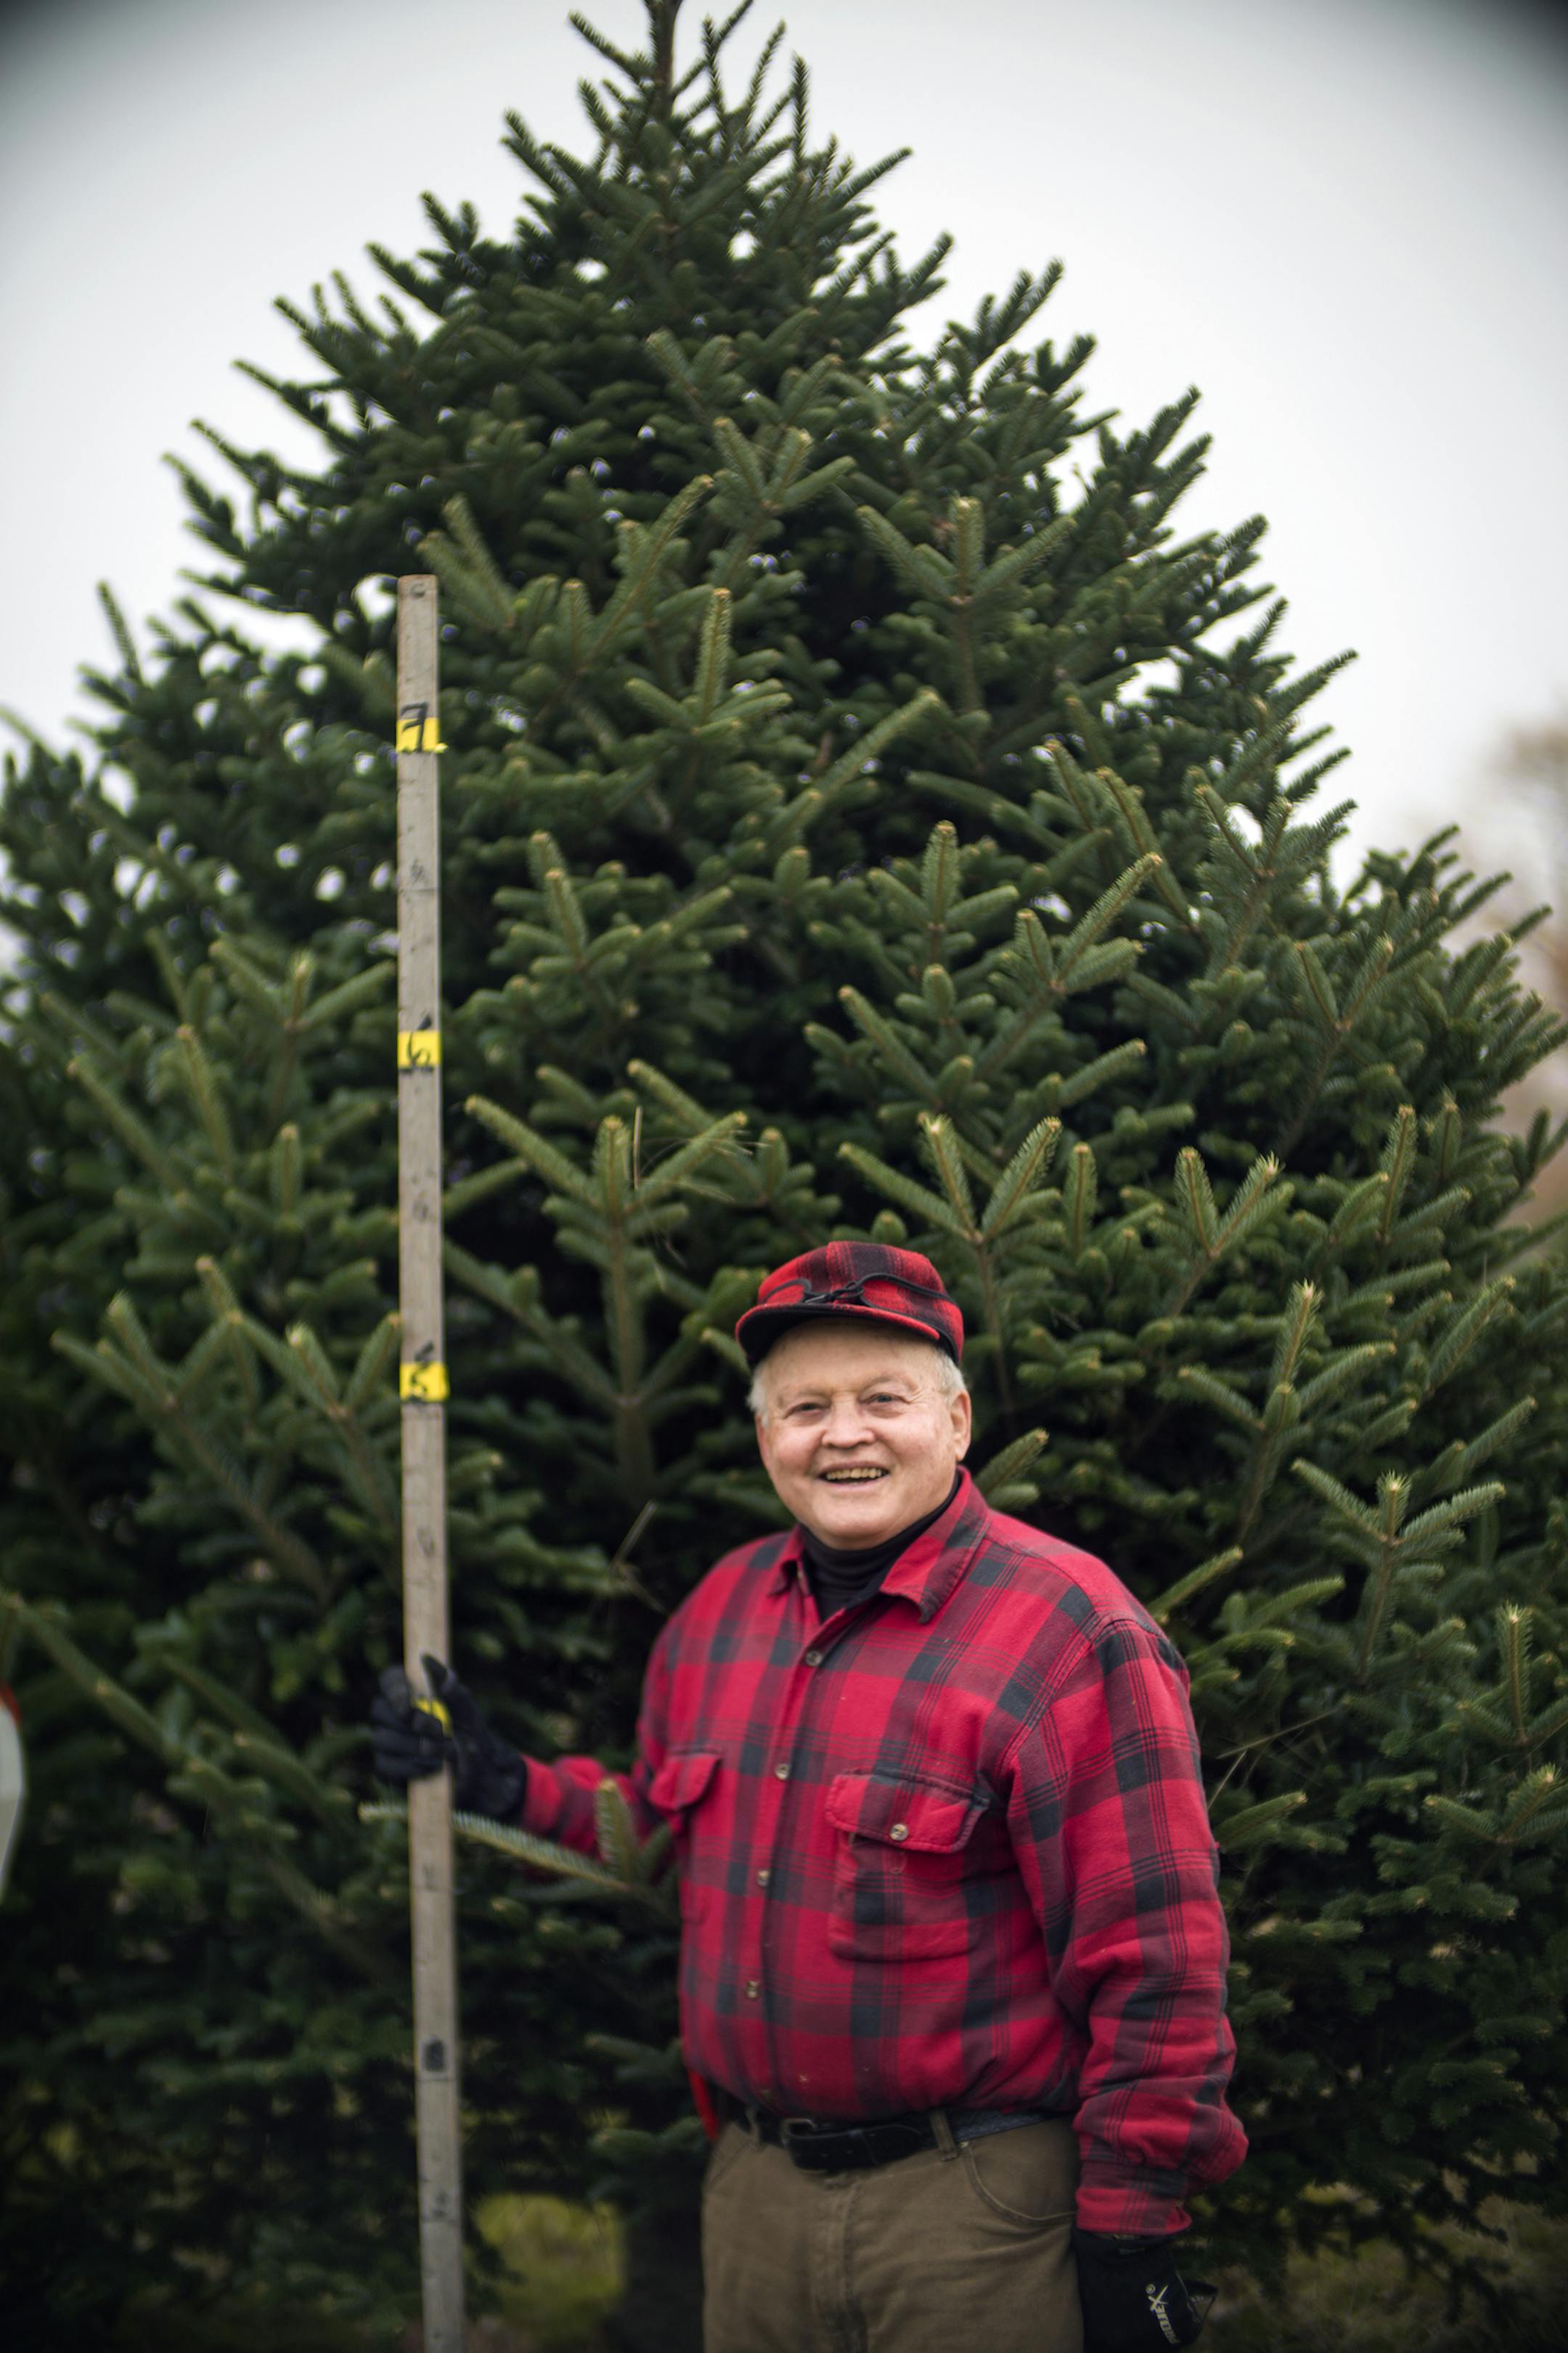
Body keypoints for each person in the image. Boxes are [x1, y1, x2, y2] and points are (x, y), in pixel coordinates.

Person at [372, 1244, 1246, 2351]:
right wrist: (498, 1779)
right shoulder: (717, 1614)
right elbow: (660, 1826)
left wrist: (1129, 2232)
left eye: (885, 1398)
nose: (844, 1433)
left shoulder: (1069, 1633)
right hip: (755, 2197)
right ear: (764, 1434)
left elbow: (1158, 1960)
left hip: (973, 2208)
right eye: (805, 1405)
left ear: (959, 1418)